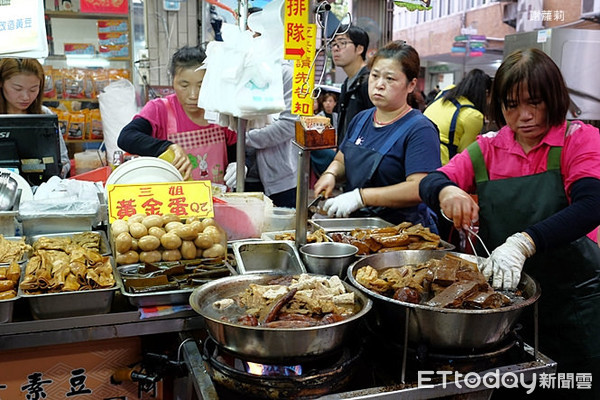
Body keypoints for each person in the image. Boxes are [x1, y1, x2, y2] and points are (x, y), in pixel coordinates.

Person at [419, 48, 600, 400]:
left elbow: (592, 205)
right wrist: (448, 193)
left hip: (573, 305)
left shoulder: (578, 139)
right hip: (506, 306)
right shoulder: (488, 148)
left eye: (535, 102)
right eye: (511, 105)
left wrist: (523, 242)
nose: (524, 116)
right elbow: (431, 181)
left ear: (554, 98)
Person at [314, 41, 441, 228]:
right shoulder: (361, 119)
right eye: (375, 76)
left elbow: (419, 187)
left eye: (390, 79)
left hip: (402, 234)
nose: (379, 85)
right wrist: (330, 174)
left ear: (411, 85)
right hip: (359, 227)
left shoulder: (420, 129)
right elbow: (342, 160)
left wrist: (361, 197)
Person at [118, 45, 237, 182]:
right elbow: (126, 137)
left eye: (201, 85)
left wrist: (239, 165)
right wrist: (167, 147)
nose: (193, 95)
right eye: (184, 85)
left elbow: (236, 150)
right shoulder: (160, 109)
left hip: (218, 198)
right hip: (176, 200)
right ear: (173, 82)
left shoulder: (220, 109)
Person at [234, 59, 298, 208]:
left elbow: (290, 125)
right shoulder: (233, 71)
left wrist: (243, 138)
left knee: (282, 227)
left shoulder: (286, 73)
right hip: (237, 173)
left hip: (280, 177)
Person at [0, 57, 70, 178]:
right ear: (1, 83)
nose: (26, 97)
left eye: (33, 89)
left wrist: (60, 169)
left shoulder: (45, 115)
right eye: (17, 89)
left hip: (39, 187)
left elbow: (64, 160)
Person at [424, 68, 491, 165]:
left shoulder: (446, 91)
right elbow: (465, 154)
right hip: (441, 166)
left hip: (417, 151)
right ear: (486, 93)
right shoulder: (473, 116)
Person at [332, 25, 374, 145]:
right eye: (334, 44)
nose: (335, 48)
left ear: (359, 49)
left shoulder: (369, 82)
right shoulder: (347, 84)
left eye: (342, 43)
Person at [311, 91, 339, 176]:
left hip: (334, 144)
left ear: (335, 103)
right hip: (321, 145)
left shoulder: (336, 116)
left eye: (330, 101)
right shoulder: (319, 117)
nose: (328, 104)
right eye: (326, 101)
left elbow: (337, 133)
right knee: (332, 155)